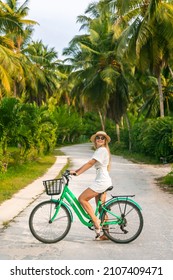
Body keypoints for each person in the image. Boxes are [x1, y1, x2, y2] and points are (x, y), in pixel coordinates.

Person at [70, 131, 112, 241]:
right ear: (95, 140)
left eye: (102, 138)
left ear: (105, 140)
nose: (100, 139)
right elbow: (90, 163)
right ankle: (106, 234)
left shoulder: (102, 150)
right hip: (102, 179)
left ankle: (96, 221)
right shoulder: (101, 150)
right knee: (101, 208)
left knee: (82, 199)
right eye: (97, 137)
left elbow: (90, 163)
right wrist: (75, 171)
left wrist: (78, 173)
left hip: (101, 181)